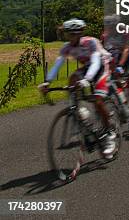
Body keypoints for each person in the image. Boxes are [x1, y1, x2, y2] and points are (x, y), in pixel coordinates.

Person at [38, 18, 116, 157]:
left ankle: (109, 134)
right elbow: (58, 64)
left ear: (79, 34)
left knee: (98, 101)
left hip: (101, 67)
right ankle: (78, 112)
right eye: (68, 34)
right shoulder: (67, 47)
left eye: (72, 34)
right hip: (87, 68)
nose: (70, 38)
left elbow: (96, 62)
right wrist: (47, 82)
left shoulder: (90, 42)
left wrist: (87, 79)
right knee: (72, 79)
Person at [102, 14, 129, 129]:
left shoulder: (124, 31)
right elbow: (103, 51)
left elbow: (126, 49)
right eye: (107, 26)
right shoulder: (105, 34)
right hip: (118, 53)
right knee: (114, 80)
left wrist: (120, 65)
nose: (109, 29)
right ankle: (122, 101)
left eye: (112, 26)